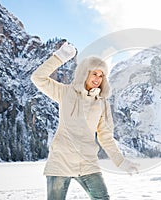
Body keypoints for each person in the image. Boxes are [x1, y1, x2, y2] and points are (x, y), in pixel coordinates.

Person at [31, 42, 139, 200]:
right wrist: (60, 57)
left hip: (88, 163)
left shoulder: (102, 103)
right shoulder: (65, 93)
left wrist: (121, 162)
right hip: (61, 162)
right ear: (84, 73)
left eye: (101, 75)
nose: (98, 78)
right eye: (94, 73)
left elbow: (105, 137)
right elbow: (38, 78)